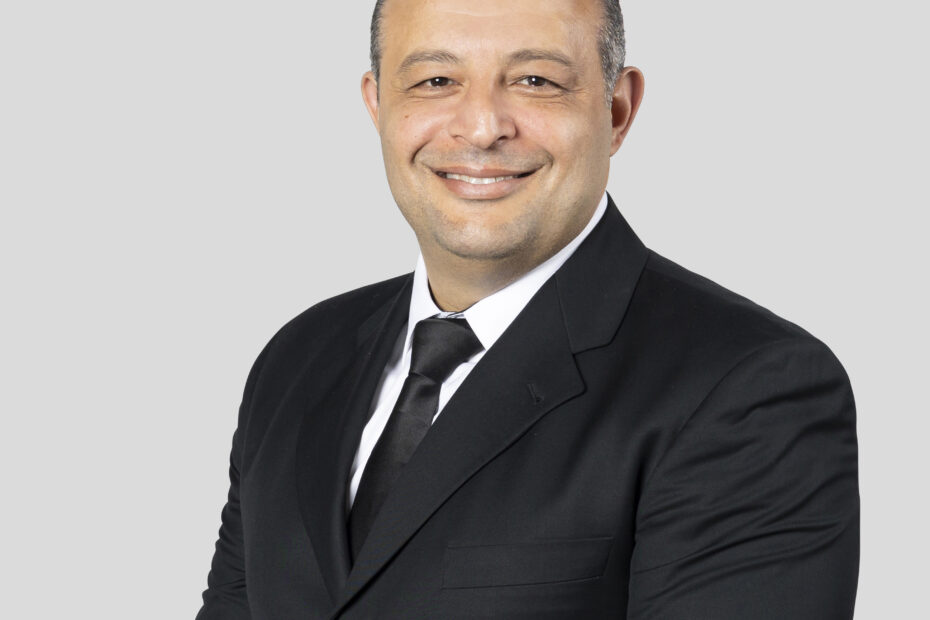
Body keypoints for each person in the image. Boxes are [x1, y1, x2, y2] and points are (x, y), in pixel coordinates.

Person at [196, 1, 860, 618]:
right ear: (377, 106)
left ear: (618, 110)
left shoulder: (748, 387)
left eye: (536, 81)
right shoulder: (297, 360)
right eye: (435, 81)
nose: (482, 127)